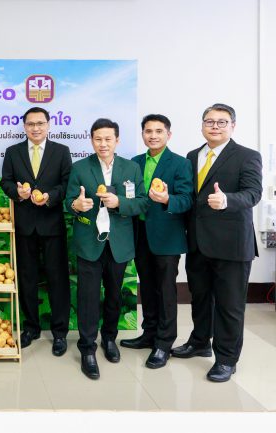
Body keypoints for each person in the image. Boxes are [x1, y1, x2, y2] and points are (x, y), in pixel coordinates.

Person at [171, 103, 262, 382]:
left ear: (233, 126)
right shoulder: (192, 156)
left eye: (222, 122)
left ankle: (226, 359)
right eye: (209, 121)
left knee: (229, 305)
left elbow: (253, 193)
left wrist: (227, 200)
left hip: (231, 245)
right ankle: (200, 342)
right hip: (198, 242)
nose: (215, 126)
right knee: (200, 298)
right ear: (202, 126)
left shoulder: (247, 156)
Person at [65, 118, 148, 379]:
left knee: (114, 295)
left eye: (108, 139)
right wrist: (76, 206)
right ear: (91, 140)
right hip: (89, 243)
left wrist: (119, 202)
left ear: (117, 140)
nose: (103, 144)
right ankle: (87, 348)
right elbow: (68, 201)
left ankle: (109, 339)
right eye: (98, 139)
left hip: (118, 243)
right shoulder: (80, 168)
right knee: (88, 297)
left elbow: (142, 203)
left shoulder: (131, 168)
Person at [119, 114, 193, 369]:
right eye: (148, 131)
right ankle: (149, 334)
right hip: (140, 234)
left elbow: (187, 200)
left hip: (167, 237)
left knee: (166, 291)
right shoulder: (135, 162)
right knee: (148, 288)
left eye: (159, 131)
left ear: (168, 135)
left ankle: (164, 343)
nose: (153, 136)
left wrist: (167, 199)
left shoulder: (180, 164)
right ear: (142, 134)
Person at [0, 107, 72, 356]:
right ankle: (31, 327)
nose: (36, 128)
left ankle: (60, 332)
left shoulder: (61, 151)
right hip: (24, 225)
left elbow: (67, 184)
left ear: (48, 125)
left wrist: (50, 196)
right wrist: (17, 193)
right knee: (27, 278)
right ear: (24, 127)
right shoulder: (13, 152)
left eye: (40, 123)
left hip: (52, 224)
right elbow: (5, 181)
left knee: (57, 279)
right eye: (30, 124)